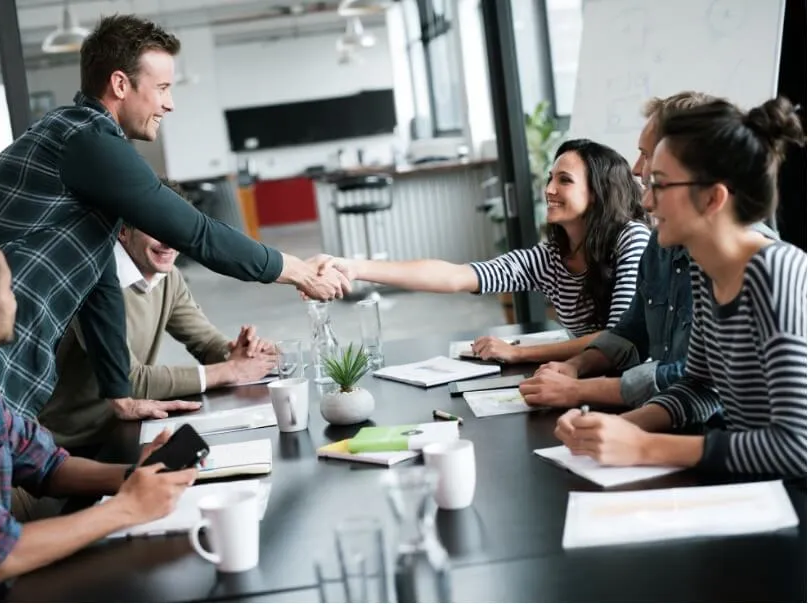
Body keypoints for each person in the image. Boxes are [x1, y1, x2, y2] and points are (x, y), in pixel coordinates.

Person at [0, 14, 348, 423]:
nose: (169, 104)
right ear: (120, 84)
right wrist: (299, 271)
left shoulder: (81, 141)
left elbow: (97, 282)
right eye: (162, 88)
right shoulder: (85, 140)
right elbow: (196, 232)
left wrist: (120, 393)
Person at [0, 232, 198, 600]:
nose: (17, 300)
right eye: (9, 289)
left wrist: (132, 477)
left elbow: (45, 464)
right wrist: (127, 508)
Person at [555, 96, 807, 478]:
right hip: (758, 489)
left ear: (712, 198)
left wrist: (644, 446)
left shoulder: (776, 273)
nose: (645, 200)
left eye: (659, 184)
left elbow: (797, 447)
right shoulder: (707, 271)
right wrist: (624, 427)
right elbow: (699, 386)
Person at [319, 139, 651, 364]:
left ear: (598, 192)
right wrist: (354, 267)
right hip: (588, 381)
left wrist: (518, 353)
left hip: (638, 389)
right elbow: (456, 276)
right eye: (550, 178)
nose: (549, 189)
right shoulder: (551, 257)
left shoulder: (631, 239)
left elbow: (615, 338)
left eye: (564, 180)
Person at [41, 182, 277, 456]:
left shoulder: (168, 277)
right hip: (73, 445)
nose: (168, 240)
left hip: (133, 426)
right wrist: (230, 371)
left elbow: (204, 340)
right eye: (154, 227)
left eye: (174, 227)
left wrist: (236, 353)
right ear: (123, 230)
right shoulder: (94, 282)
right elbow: (129, 380)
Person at [518, 92, 714, 407]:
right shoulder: (660, 246)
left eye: (646, 155)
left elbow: (698, 382)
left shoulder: (744, 264)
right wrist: (575, 367)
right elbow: (631, 330)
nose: (636, 170)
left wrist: (579, 391)